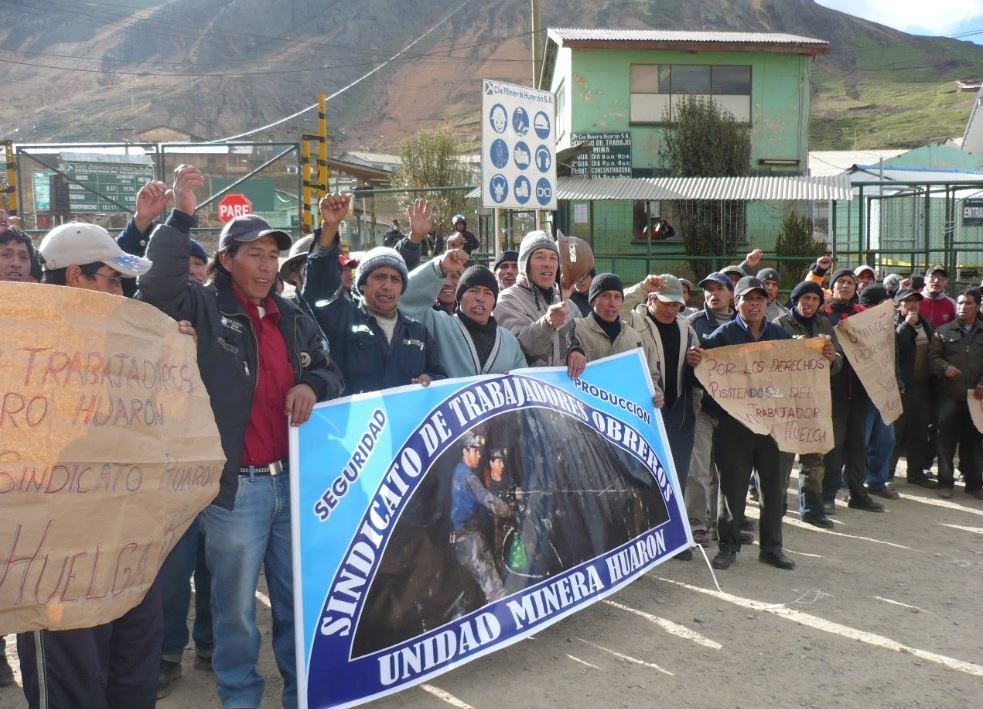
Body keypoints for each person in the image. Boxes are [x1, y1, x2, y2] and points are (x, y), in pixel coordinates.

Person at [139, 164, 344, 709]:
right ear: (226, 261)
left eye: (273, 255)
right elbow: (156, 288)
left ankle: (303, 694)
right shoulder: (204, 307)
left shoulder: (292, 315)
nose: (267, 265)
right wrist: (180, 217)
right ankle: (239, 697)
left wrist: (311, 384)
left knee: (296, 603)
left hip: (292, 486)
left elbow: (331, 370)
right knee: (234, 612)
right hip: (235, 493)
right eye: (254, 253)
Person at [15, 220, 161, 709]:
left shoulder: (131, 345)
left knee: (133, 677)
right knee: (70, 685)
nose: (121, 294)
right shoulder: (19, 345)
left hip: (130, 545)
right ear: (75, 275)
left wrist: (172, 351)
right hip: (55, 558)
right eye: (112, 280)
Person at [694, 277, 832, 571]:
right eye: (748, 299)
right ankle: (728, 547)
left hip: (774, 426)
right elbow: (701, 377)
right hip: (734, 428)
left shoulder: (780, 336)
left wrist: (825, 357)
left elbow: (804, 370)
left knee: (773, 489)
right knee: (732, 490)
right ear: (737, 303)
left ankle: (771, 548)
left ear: (766, 303)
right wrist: (694, 363)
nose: (754, 304)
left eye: (759, 299)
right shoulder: (721, 336)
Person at [303, 193, 445, 394]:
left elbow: (440, 377)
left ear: (403, 288)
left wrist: (430, 379)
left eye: (395, 279)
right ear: (362, 285)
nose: (387, 285)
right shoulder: (343, 318)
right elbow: (319, 289)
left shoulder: (418, 333)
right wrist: (330, 227)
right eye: (379, 277)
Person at [773, 280, 843, 528]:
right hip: (786, 402)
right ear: (796, 300)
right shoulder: (780, 324)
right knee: (782, 461)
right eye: (805, 298)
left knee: (814, 459)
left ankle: (812, 510)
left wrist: (832, 358)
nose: (810, 303)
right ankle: (777, 511)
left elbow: (838, 358)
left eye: (814, 299)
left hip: (815, 400)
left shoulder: (824, 324)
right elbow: (770, 360)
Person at [821, 268, 885, 514]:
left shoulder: (864, 315)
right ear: (832, 287)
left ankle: (857, 493)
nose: (846, 286)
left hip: (860, 392)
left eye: (850, 282)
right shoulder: (823, 316)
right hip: (832, 392)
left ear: (856, 288)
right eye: (841, 282)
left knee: (858, 446)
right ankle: (827, 495)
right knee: (834, 447)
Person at [401, 253, 527, 377]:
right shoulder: (438, 323)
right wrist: (439, 268)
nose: (480, 298)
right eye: (473, 290)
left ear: (494, 301)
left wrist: (510, 381)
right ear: (460, 297)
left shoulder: (509, 341)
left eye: (488, 293)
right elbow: (403, 299)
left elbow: (525, 380)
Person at [685, 272, 735, 547]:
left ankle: (721, 524)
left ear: (731, 293)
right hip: (702, 408)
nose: (713, 294)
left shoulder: (743, 323)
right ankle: (696, 525)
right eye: (709, 290)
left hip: (734, 411)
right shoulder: (693, 324)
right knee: (698, 469)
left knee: (728, 471)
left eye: (719, 289)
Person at [495, 230, 585, 374]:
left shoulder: (568, 304)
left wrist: (577, 350)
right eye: (540, 257)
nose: (548, 264)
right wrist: (547, 324)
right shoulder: (507, 300)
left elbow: (581, 336)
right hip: (528, 386)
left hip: (562, 387)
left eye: (553, 258)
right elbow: (516, 347)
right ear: (525, 264)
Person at [928, 289, 983, 500]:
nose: (962, 307)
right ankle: (945, 483)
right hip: (949, 395)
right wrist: (944, 367)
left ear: (977, 306)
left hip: (976, 399)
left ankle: (974, 484)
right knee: (945, 442)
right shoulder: (943, 331)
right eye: (959, 303)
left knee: (975, 442)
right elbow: (933, 358)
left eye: (968, 303)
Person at [451, 434, 515, 603]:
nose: (479, 455)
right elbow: (489, 500)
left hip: (460, 542)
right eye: (475, 451)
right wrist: (512, 511)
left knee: (472, 597)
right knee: (496, 593)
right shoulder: (466, 475)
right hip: (471, 541)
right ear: (465, 452)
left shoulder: (458, 473)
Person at [856, 285, 900, 499]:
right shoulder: (855, 327)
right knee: (860, 442)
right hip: (861, 395)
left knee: (886, 439)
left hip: (884, 393)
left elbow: (893, 357)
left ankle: (877, 481)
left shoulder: (887, 328)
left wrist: (897, 381)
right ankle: (851, 484)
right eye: (883, 303)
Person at [891, 287, 937, 488]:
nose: (912, 305)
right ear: (898, 305)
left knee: (919, 433)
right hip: (901, 388)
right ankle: (886, 475)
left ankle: (916, 473)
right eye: (907, 301)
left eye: (915, 301)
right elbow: (892, 346)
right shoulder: (894, 325)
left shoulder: (926, 324)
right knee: (895, 434)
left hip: (923, 387)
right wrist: (906, 326)